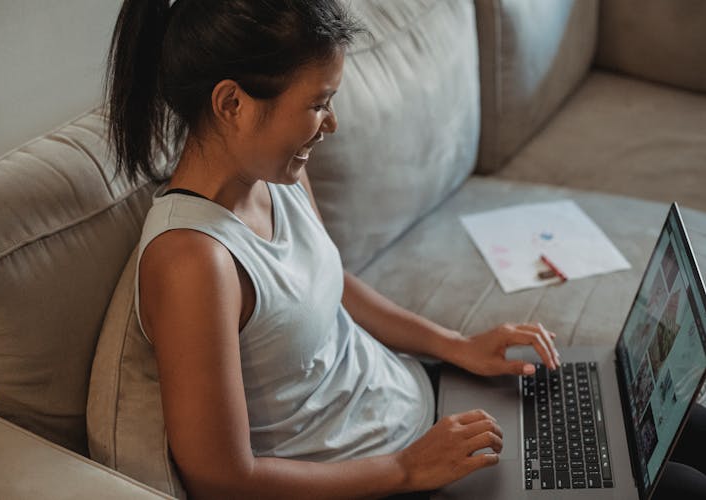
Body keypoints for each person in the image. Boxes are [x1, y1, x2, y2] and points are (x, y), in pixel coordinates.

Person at [105, 1, 705, 499]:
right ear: (232, 104)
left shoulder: (272, 174)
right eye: (317, 104)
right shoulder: (193, 262)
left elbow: (334, 285)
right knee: (675, 484)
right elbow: (222, 477)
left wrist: (457, 346)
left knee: (681, 427)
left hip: (425, 404)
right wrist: (408, 469)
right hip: (391, 476)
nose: (330, 123)